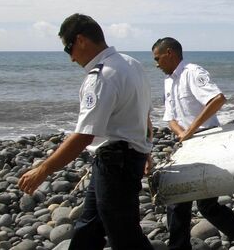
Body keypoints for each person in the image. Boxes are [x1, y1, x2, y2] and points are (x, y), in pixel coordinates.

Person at [18, 13, 154, 250]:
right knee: (88, 229)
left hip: (115, 164)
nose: (71, 58)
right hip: (125, 159)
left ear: (80, 40)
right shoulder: (132, 64)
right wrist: (145, 150)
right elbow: (143, 115)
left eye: (68, 49)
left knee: (124, 236)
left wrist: (42, 170)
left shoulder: (101, 77)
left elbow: (84, 135)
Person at [151, 37, 234, 250]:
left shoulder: (192, 73)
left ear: (169, 53)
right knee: (196, 204)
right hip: (187, 144)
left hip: (207, 141)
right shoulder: (168, 81)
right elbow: (170, 117)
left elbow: (217, 99)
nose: (156, 64)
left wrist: (191, 131)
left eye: (157, 58)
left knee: (192, 203)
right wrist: (182, 133)